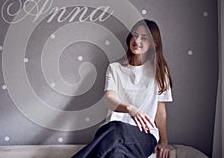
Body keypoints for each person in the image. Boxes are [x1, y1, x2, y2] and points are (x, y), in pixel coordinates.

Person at [72, 19, 173, 158]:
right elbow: (109, 99)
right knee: (116, 153)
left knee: (117, 129)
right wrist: (130, 109)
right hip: (110, 133)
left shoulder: (160, 71)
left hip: (144, 136)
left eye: (144, 38)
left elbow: (160, 112)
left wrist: (164, 142)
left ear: (153, 44)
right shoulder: (115, 68)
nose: (137, 40)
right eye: (135, 35)